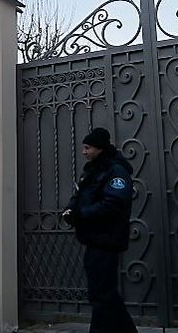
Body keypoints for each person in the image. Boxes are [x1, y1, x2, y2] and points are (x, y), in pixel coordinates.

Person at [62, 127, 137, 333]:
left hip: (107, 240)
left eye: (88, 147)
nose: (84, 152)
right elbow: (79, 195)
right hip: (94, 239)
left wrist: (82, 214)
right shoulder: (92, 170)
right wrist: (70, 211)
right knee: (103, 293)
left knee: (102, 294)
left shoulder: (116, 171)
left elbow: (113, 204)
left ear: (100, 148)